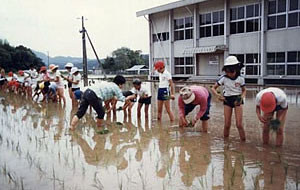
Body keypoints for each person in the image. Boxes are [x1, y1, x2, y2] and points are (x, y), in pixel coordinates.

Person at [211, 56, 246, 141]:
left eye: (231, 72)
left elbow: (244, 90)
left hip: (237, 99)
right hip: (227, 100)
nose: (230, 74)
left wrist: (241, 98)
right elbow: (213, 88)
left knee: (239, 124)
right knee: (227, 124)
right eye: (227, 72)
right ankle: (225, 143)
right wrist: (218, 96)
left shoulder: (240, 79)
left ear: (236, 69)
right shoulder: (223, 78)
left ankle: (243, 142)